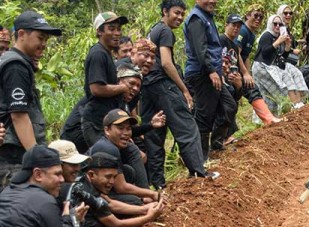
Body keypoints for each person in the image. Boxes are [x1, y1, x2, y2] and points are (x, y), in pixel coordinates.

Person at [142, 0, 216, 189]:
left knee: (155, 134)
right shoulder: (166, 32)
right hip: (162, 84)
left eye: (183, 14)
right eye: (176, 13)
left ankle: (158, 184)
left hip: (147, 85)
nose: (180, 17)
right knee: (187, 127)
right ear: (165, 11)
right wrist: (184, 90)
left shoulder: (154, 29)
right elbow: (166, 63)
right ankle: (199, 172)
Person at [0, 11, 62, 189]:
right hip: (15, 158)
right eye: (40, 38)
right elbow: (18, 115)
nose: (43, 44)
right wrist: (38, 158)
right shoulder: (16, 66)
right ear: (21, 34)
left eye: (46, 40)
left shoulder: (16, 62)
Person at [184, 0, 236, 162]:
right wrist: (212, 71)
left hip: (212, 71)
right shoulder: (196, 19)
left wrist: (217, 71)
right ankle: (201, 160)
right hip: (202, 73)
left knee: (229, 106)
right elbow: (201, 49)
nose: (212, 1)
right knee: (204, 117)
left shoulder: (207, 16)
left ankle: (216, 142)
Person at [74, 152, 166, 227]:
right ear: (91, 175)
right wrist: (149, 217)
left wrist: (144, 209)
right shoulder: (87, 193)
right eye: (108, 177)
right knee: (99, 224)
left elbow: (109, 203)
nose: (112, 182)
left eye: (114, 177)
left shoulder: (86, 178)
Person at [87, 109, 159, 205]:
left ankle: (144, 197)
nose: (126, 133)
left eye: (128, 129)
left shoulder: (121, 145)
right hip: (90, 192)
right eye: (120, 128)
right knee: (135, 201)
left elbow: (143, 158)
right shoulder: (107, 147)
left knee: (128, 169)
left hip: (107, 187)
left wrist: (146, 194)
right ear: (107, 130)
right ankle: (143, 200)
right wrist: (152, 194)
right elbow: (121, 187)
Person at [81, 12, 129, 148]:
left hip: (106, 120)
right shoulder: (98, 54)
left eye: (119, 29)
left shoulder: (106, 54)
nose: (117, 33)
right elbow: (96, 89)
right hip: (96, 121)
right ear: (99, 31)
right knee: (105, 159)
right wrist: (122, 87)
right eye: (111, 29)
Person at [47, 140, 102, 227]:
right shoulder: (48, 193)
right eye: (72, 164)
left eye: (78, 164)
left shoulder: (67, 187)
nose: (77, 168)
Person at [252, 15, 309, 112]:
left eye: (280, 24)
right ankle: (292, 107)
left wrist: (287, 47)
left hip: (272, 67)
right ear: (270, 24)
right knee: (280, 89)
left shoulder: (278, 36)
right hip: (262, 68)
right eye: (275, 24)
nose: (278, 26)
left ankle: (297, 104)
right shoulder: (267, 35)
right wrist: (278, 42)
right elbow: (265, 52)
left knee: (269, 99)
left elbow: (281, 57)